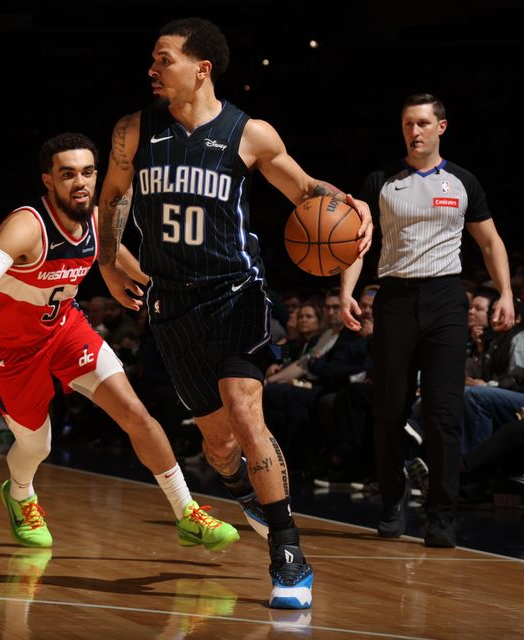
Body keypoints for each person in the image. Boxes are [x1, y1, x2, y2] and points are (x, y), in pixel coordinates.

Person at [95, 17, 372, 609]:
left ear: (202, 67)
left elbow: (304, 192)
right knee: (219, 446)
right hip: (172, 302)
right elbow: (113, 197)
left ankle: (289, 554)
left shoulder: (250, 134)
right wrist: (109, 261)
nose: (151, 68)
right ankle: (242, 487)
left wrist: (349, 204)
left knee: (248, 415)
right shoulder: (132, 131)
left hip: (236, 293)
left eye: (162, 58)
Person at [0, 132, 238, 553]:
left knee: (135, 414)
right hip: (12, 351)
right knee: (38, 445)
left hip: (66, 331)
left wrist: (169, 288)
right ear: (48, 181)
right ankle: (19, 494)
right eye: (68, 174)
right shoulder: (26, 226)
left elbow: (114, 251)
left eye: (88, 171)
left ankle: (187, 513)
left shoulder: (94, 216)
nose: (81, 182)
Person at [339, 93, 515, 548]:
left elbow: (491, 243)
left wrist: (506, 294)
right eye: (406, 124)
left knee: (443, 413)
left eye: (421, 123)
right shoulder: (381, 180)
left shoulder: (462, 182)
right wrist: (346, 292)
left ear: (441, 128)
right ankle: (391, 503)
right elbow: (356, 243)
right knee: (389, 411)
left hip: (445, 299)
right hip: (395, 299)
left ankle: (441, 515)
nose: (413, 132)